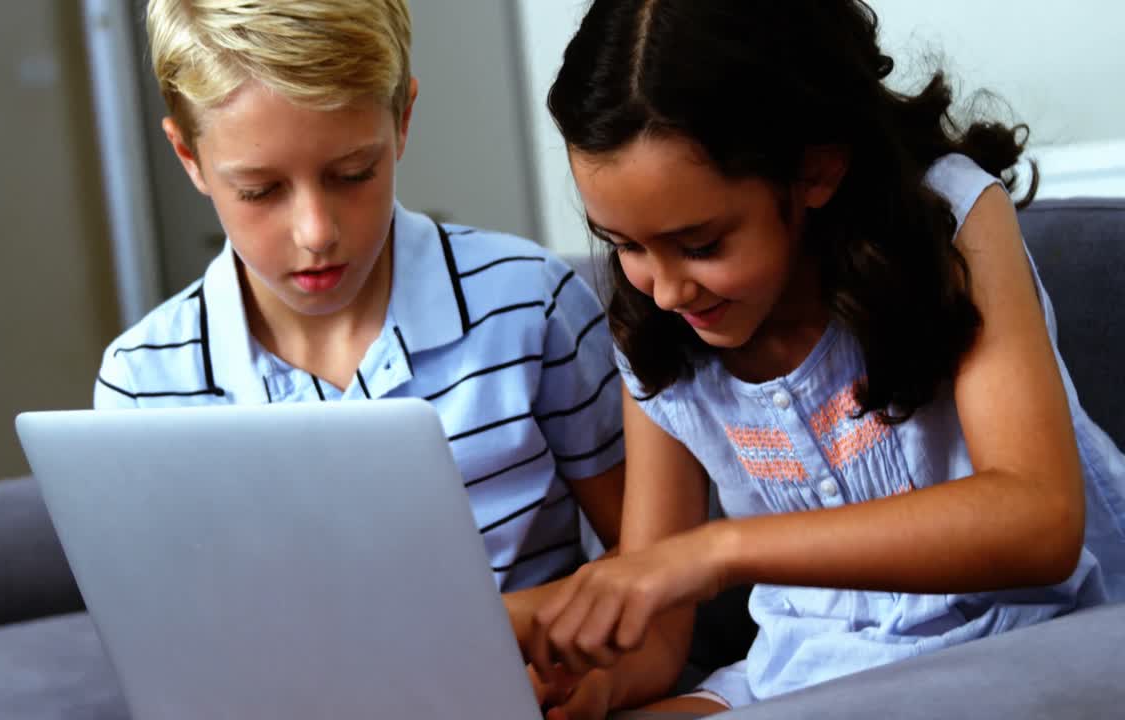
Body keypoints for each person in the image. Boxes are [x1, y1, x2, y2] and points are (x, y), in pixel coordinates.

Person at [527, 0, 1125, 715]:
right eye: (624, 245)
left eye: (702, 244)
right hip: (803, 668)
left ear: (816, 168)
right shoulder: (658, 333)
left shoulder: (949, 224)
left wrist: (720, 550)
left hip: (1024, 637)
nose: (663, 289)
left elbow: (1040, 520)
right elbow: (660, 637)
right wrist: (599, 684)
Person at [94, 0, 626, 654]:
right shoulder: (143, 382)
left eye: (353, 175)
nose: (316, 233)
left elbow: (648, 563)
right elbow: (173, 645)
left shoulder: (529, 306)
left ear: (403, 119)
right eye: (260, 191)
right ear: (189, 156)